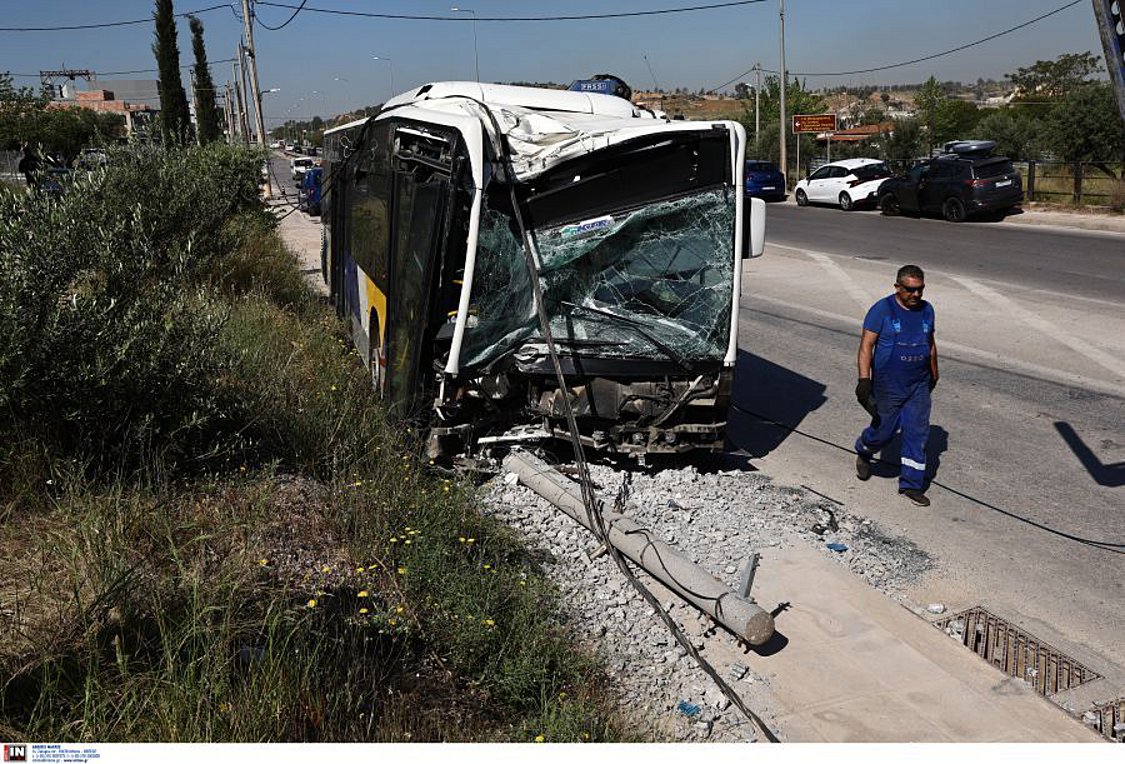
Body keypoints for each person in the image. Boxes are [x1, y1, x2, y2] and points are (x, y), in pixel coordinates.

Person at [853, 264, 939, 506]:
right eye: (910, 290)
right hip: (888, 384)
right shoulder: (882, 310)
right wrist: (863, 381)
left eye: (920, 290)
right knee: (885, 431)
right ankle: (865, 448)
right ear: (897, 287)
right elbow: (866, 346)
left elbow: (930, 342)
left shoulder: (927, 310)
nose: (916, 295)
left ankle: (911, 485)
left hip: (918, 384)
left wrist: (934, 372)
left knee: (917, 433)